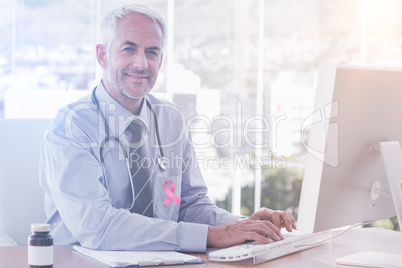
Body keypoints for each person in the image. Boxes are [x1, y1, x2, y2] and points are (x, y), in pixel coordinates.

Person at [39, 3, 296, 252]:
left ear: (160, 60)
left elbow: (189, 207)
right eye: (129, 49)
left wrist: (244, 226)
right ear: (102, 55)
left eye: (151, 52)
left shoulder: (171, 120)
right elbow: (98, 227)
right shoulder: (71, 128)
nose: (141, 64)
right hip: (81, 261)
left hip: (162, 260)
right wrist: (211, 235)